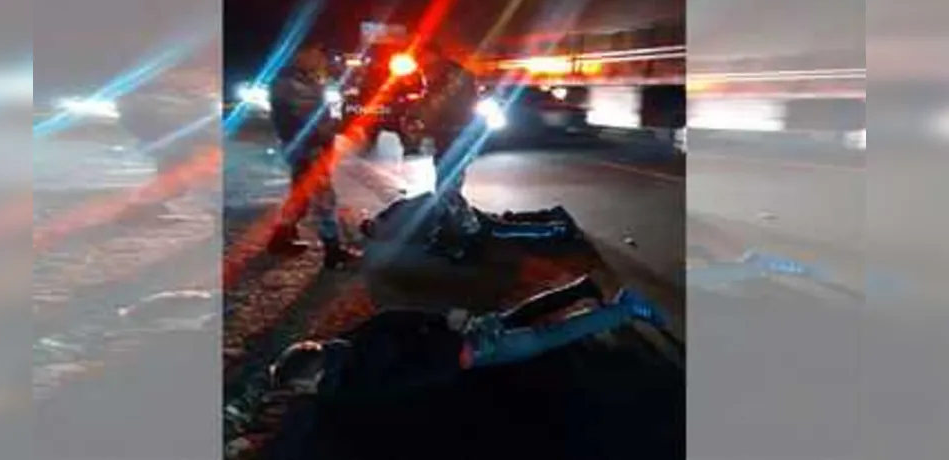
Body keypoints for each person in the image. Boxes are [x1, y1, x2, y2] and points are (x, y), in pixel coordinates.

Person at [267, 274, 670, 397]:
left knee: (548, 338)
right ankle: (598, 296)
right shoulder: (350, 340)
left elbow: (417, 374)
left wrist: (454, 360)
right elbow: (395, 317)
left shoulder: (357, 378)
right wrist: (447, 319)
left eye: (302, 387)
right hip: (462, 332)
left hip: (468, 349)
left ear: (315, 375)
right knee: (518, 317)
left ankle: (626, 309)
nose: (305, 393)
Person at [267, 44, 360, 269]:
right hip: (308, 147)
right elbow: (311, 122)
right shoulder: (293, 84)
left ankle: (281, 237)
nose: (320, 61)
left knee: (301, 195)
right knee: (325, 198)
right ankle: (332, 250)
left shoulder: (302, 80)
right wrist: (337, 124)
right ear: (300, 56)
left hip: (304, 145)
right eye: (315, 56)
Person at [411, 43, 484, 258]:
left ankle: (468, 233)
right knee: (445, 187)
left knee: (447, 188)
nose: (419, 62)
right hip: (448, 137)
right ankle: (448, 233)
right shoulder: (439, 73)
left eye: (422, 56)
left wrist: (422, 117)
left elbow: (445, 106)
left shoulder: (452, 75)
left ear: (432, 54)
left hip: (457, 136)